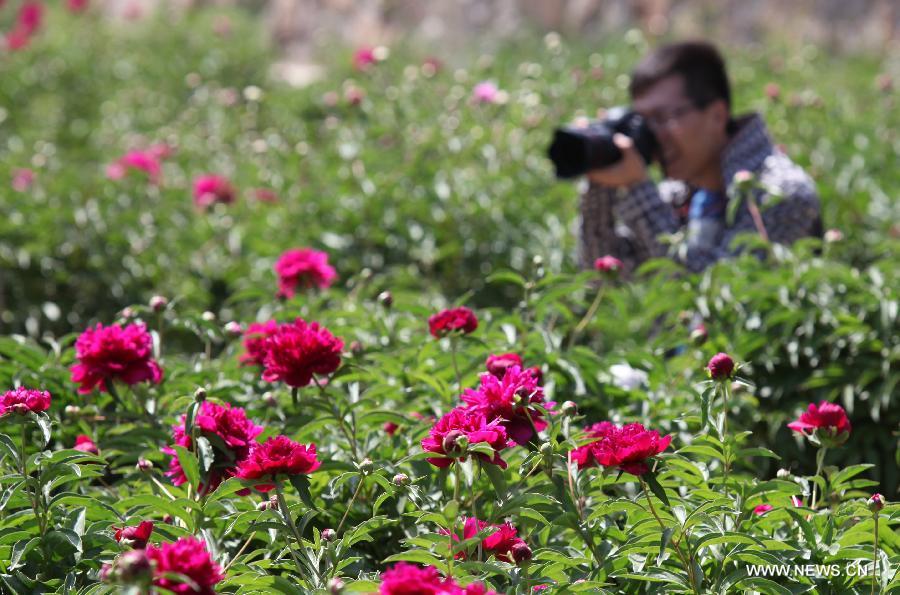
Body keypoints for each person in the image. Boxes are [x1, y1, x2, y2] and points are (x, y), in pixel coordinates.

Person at [579, 40, 822, 274]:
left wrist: (637, 187)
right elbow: (605, 279)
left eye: (662, 118)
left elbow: (723, 293)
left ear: (717, 115)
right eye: (642, 122)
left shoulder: (781, 193)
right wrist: (600, 176)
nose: (651, 135)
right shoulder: (678, 196)